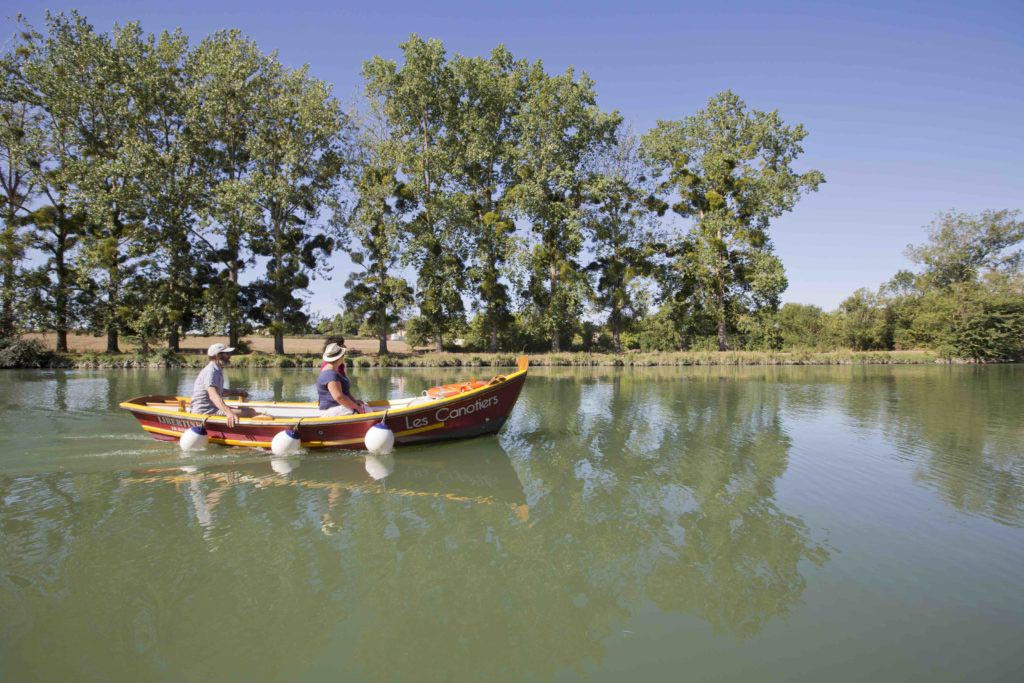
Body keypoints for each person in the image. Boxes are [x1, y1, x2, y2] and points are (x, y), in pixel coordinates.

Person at [190, 343, 257, 428]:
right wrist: (228, 413)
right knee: (250, 412)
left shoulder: (216, 369)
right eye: (227, 354)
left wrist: (237, 392)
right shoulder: (211, 371)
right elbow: (213, 395)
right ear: (218, 355)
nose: (230, 356)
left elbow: (219, 392)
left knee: (246, 411)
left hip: (212, 408)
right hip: (205, 411)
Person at [317, 343, 368, 416]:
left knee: (366, 407)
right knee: (367, 410)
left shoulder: (331, 371)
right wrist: (357, 407)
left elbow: (343, 393)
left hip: (335, 408)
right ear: (339, 357)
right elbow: (339, 397)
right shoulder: (330, 374)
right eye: (343, 356)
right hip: (332, 410)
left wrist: (354, 401)